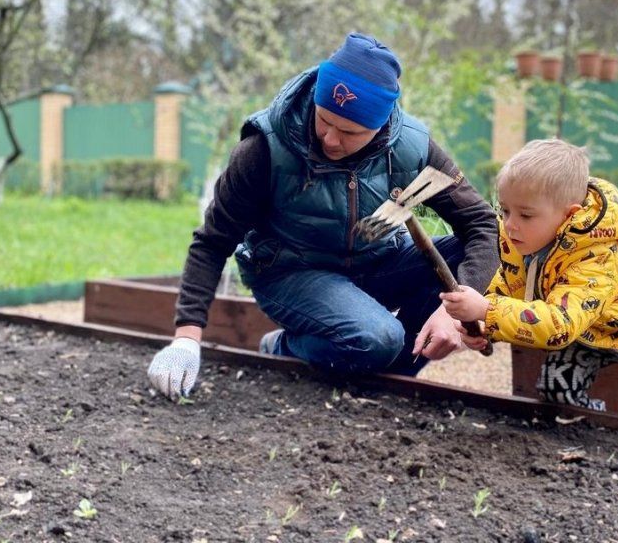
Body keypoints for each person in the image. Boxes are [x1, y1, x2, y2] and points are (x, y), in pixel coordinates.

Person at [147, 32, 499, 400]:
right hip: (291, 272)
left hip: (376, 261)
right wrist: (186, 338)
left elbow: (482, 224)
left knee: (472, 257)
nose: (330, 139)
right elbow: (213, 241)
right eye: (324, 120)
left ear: (379, 126)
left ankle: (384, 381)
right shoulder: (264, 149)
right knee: (379, 338)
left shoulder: (412, 151)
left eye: (349, 131)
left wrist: (459, 306)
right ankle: (284, 348)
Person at [439, 139, 618, 425]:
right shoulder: (521, 244)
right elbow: (510, 290)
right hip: (587, 335)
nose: (510, 223)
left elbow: (559, 325)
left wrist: (487, 310)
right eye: (505, 211)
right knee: (556, 390)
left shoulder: (597, 258)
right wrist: (486, 327)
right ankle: (598, 428)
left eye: (525, 214)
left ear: (569, 215)